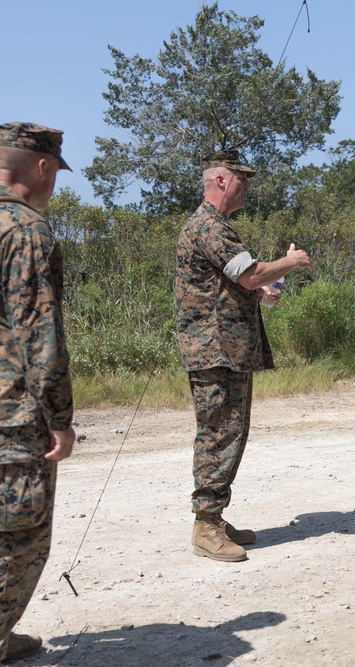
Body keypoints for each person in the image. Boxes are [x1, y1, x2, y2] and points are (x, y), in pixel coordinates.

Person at [176, 149, 314, 563]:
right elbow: (251, 274)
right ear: (221, 180)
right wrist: (291, 262)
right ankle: (205, 524)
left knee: (231, 432)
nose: (249, 186)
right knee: (219, 433)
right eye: (243, 179)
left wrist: (264, 290)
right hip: (215, 351)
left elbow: (243, 281)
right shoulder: (209, 226)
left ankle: (214, 518)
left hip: (228, 351)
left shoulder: (218, 227)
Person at [0, 122, 76, 662]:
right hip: (11, 415)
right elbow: (37, 331)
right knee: (18, 541)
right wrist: (59, 416)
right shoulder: (26, 230)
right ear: (43, 167)